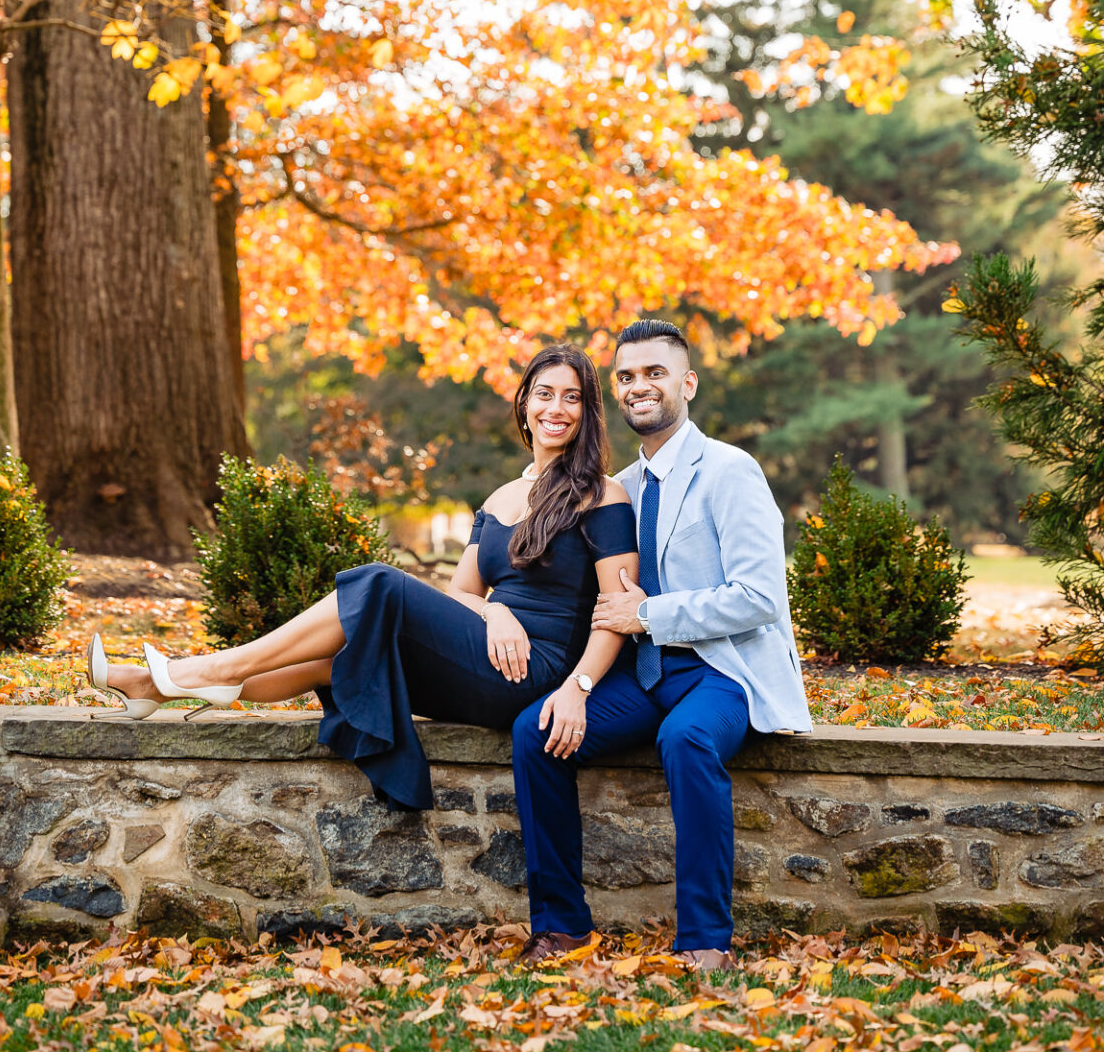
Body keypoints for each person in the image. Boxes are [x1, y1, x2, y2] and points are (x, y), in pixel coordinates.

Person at [88, 344, 639, 811]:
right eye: (544, 393)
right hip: (485, 653)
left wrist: (578, 687)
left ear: (589, 412)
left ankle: (203, 669)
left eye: (573, 397)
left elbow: (614, 615)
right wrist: (495, 611)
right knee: (338, 663)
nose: (556, 408)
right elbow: (463, 595)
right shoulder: (499, 498)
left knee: (378, 583)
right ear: (524, 404)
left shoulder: (602, 496)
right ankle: (152, 686)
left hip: (535, 674)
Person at [510, 318, 811, 968]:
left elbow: (759, 597)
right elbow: (602, 602)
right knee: (536, 732)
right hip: (643, 679)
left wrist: (654, 616)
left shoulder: (731, 471)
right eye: (625, 376)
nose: (638, 386)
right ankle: (562, 926)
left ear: (688, 383)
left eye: (654, 373)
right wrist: (573, 681)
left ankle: (704, 940)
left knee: (688, 738)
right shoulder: (619, 487)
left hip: (720, 673)